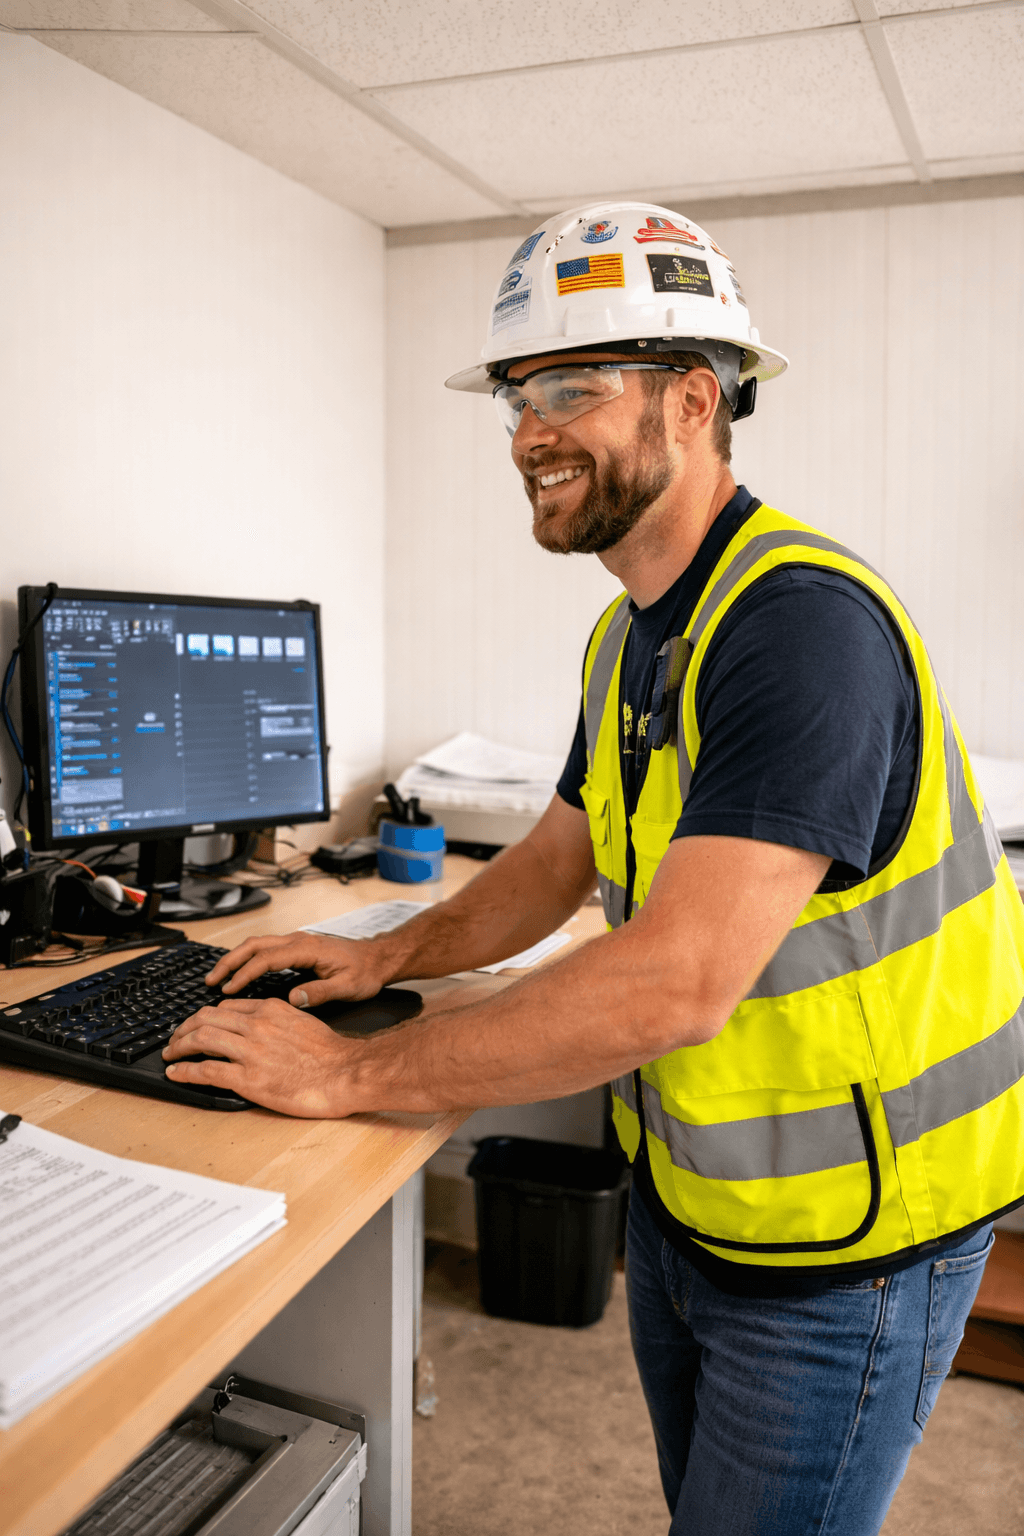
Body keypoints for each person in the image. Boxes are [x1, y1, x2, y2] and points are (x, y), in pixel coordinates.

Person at [164, 203, 1024, 1535]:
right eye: (516, 394)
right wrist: (384, 955)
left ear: (691, 403)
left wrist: (350, 1076)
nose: (526, 431)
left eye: (570, 385)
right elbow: (560, 859)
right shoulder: (629, 639)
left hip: (854, 1247)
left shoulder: (798, 630)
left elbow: (671, 985)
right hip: (695, 1200)